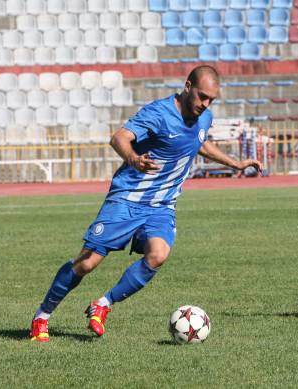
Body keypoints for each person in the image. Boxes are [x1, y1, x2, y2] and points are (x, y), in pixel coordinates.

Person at [30, 65, 262, 342]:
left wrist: (234, 162)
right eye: (202, 96)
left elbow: (199, 142)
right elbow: (119, 137)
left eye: (212, 99)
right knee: (87, 263)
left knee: (158, 255)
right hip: (128, 198)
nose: (206, 104)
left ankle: (102, 304)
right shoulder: (158, 113)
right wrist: (133, 159)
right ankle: (42, 316)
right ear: (187, 86)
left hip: (162, 206)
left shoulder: (204, 117)